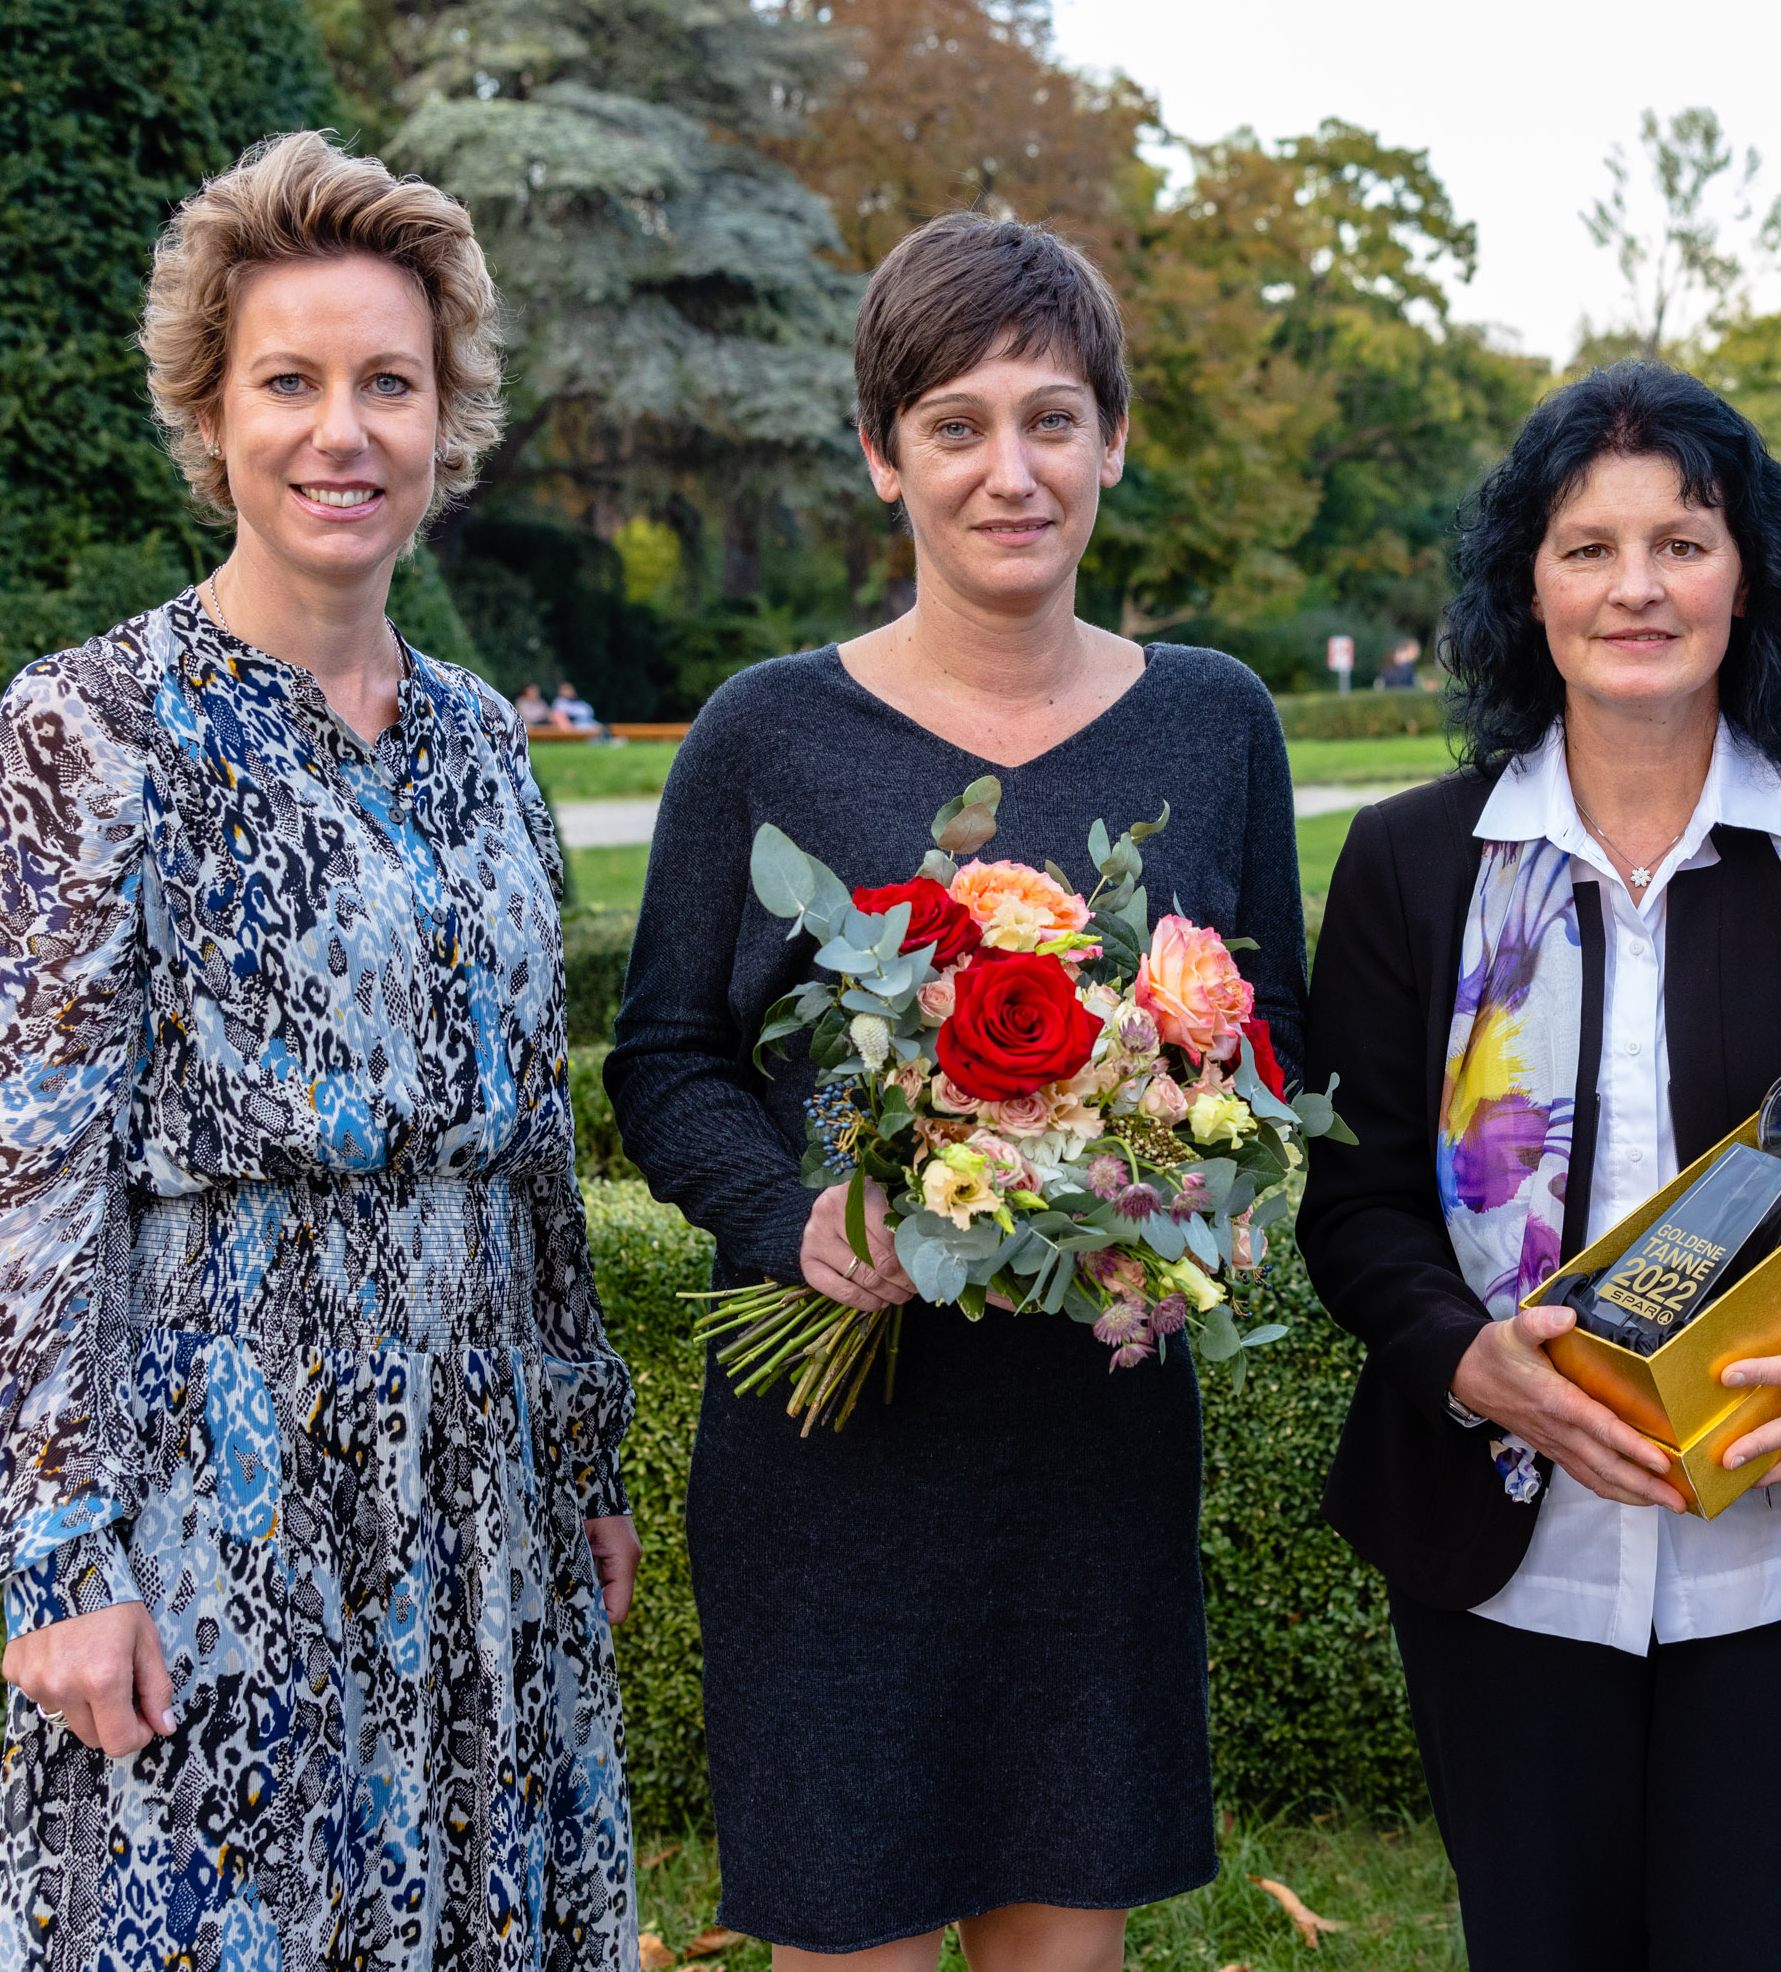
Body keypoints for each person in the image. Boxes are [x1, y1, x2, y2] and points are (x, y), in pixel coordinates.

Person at [604, 213, 1306, 1972]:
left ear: (1114, 441)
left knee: (1064, 1938)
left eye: (1053, 418)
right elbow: (665, 1054)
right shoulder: (767, 731)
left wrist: (1188, 1233)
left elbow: (1267, 1041)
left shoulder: (1213, 723)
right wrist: (793, 1214)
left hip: (1089, 1447)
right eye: (957, 425)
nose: (1013, 470)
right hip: (836, 1459)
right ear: (880, 456)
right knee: (852, 1929)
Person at [1296, 362, 1781, 1971]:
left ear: (1744, 573)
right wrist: (1461, 1360)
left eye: (1681, 540)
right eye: (1586, 546)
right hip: (1510, 1564)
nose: (1636, 585)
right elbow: (1348, 1204)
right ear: (1525, 587)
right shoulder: (1413, 864)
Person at [0, 132, 639, 1971]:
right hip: (217, 1482)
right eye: (289, 381)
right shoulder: (86, 726)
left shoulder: (478, 741)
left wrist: (582, 1450)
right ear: (210, 413)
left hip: (477, 1477)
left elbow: (531, 1150)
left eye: (389, 383)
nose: (339, 430)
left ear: (449, 421)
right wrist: (57, 1557)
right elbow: (28, 1168)